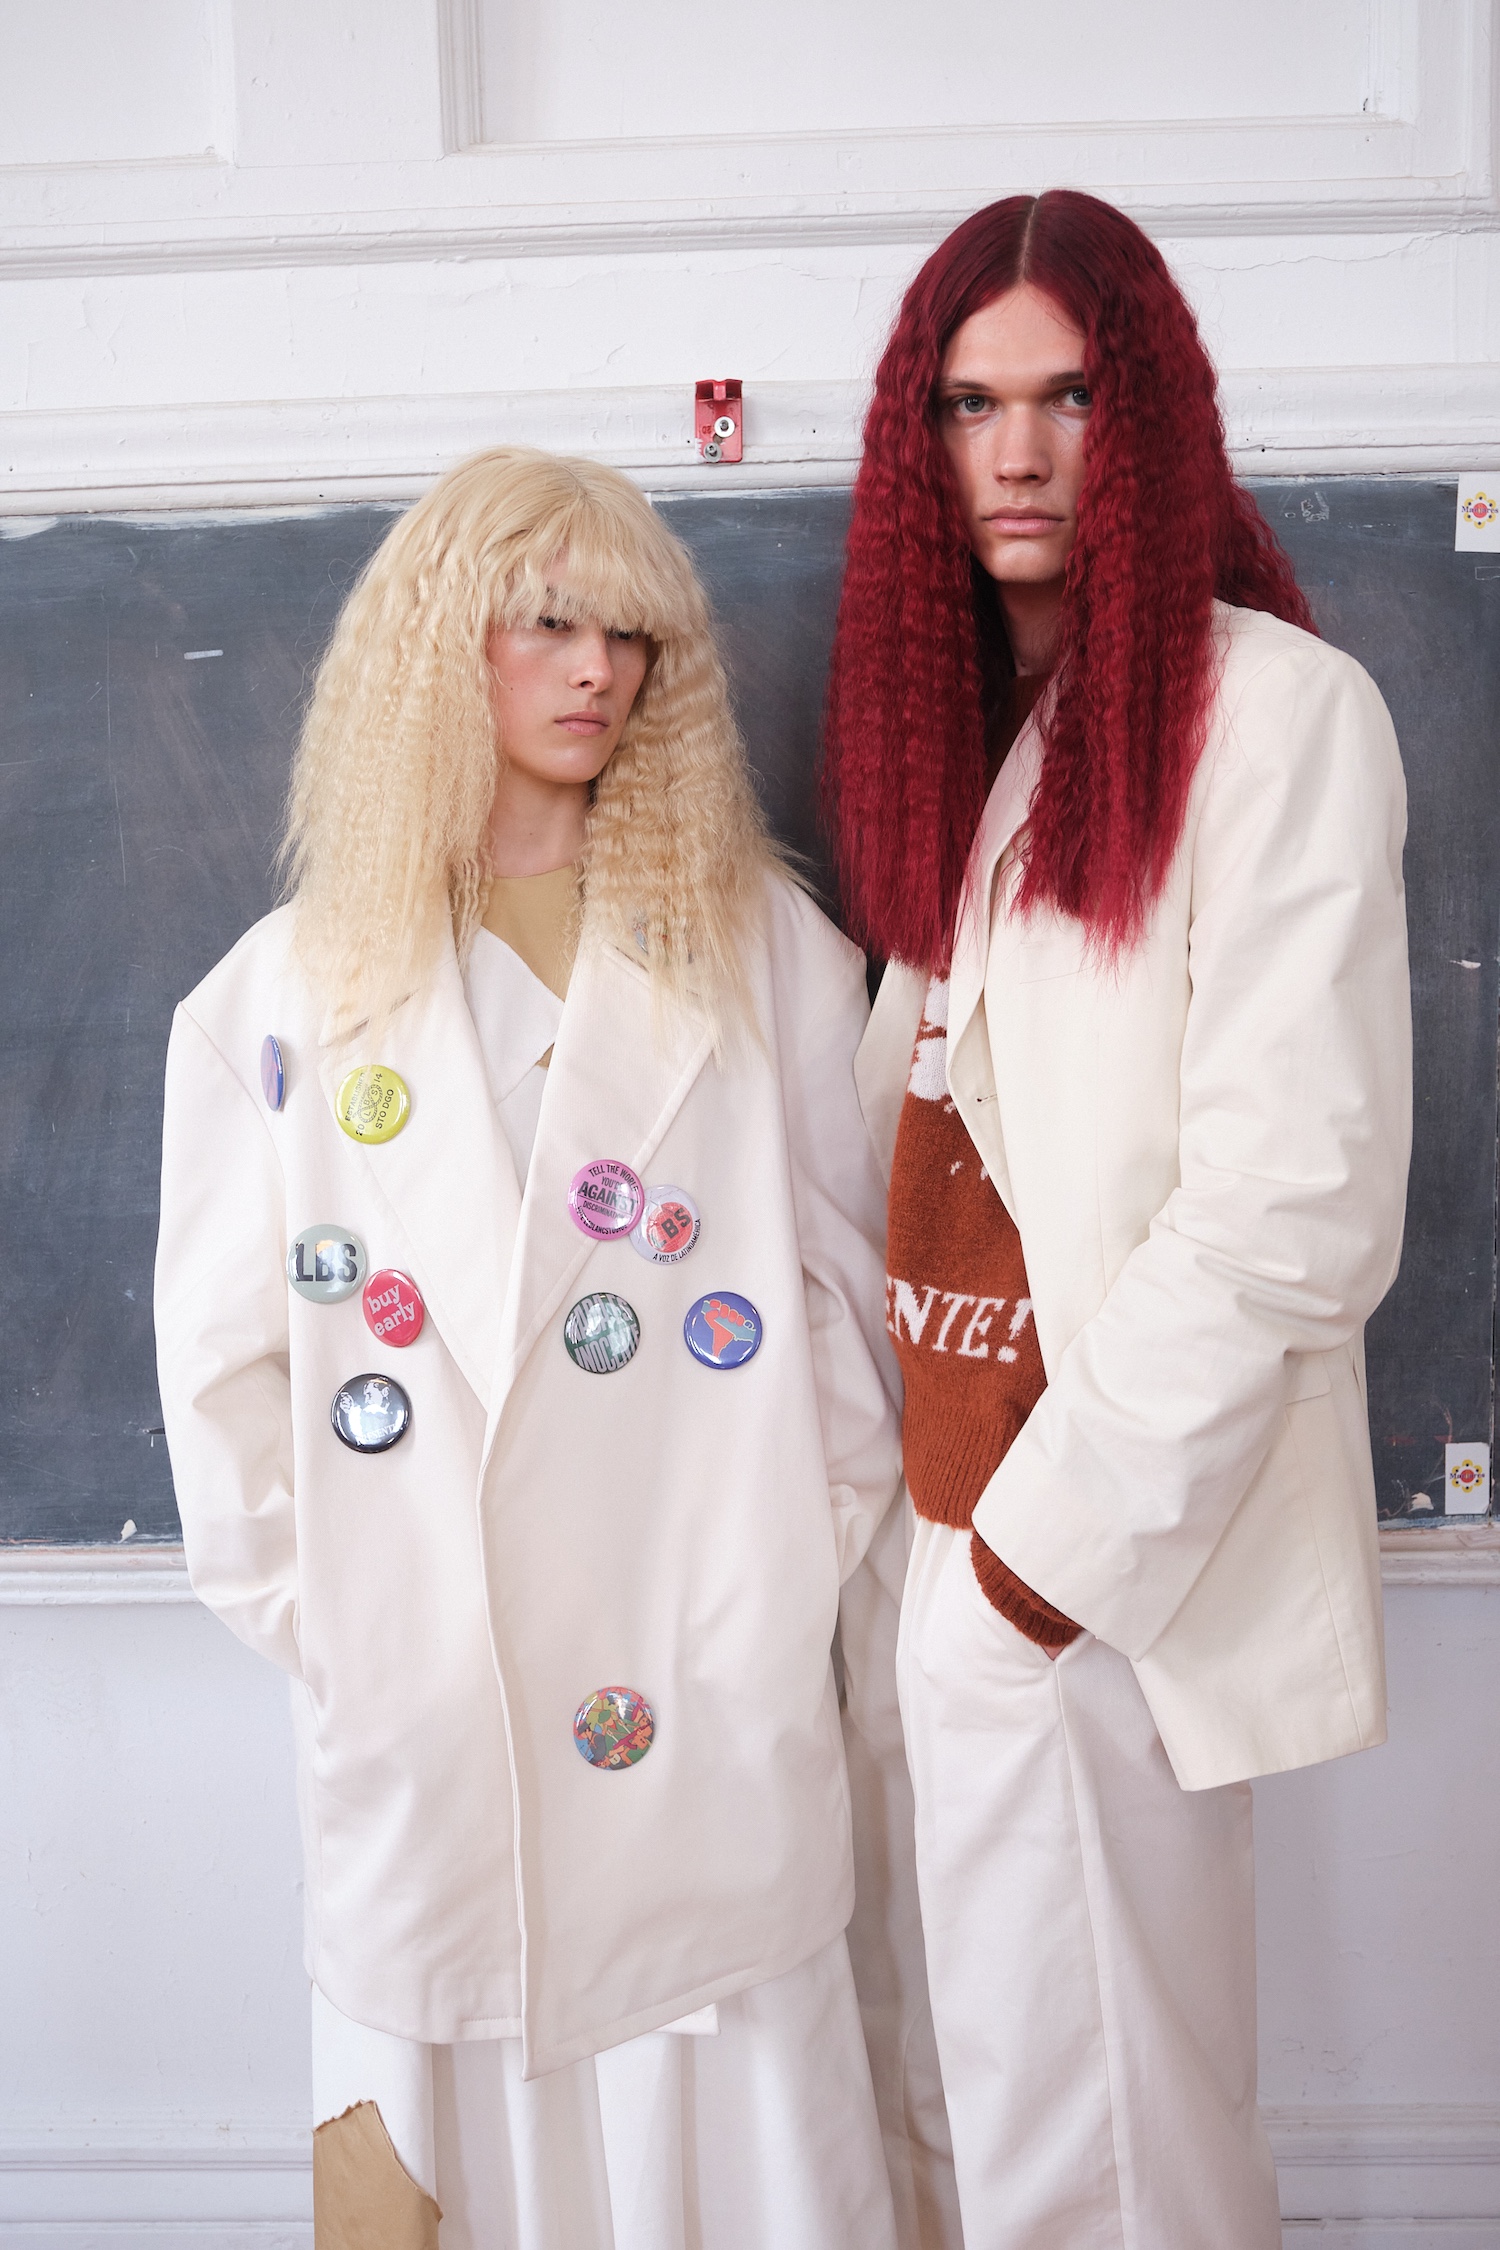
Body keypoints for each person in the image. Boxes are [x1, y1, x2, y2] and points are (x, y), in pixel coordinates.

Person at [155, 447, 905, 2250]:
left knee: (737, 2172)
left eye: (630, 635)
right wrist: (367, 1635)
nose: (596, 671)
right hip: (438, 1755)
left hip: (700, 1732)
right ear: (440, 646)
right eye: (549, 623)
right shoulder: (279, 999)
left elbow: (852, 1327)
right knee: (447, 2172)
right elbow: (221, 1380)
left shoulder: (765, 958)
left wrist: (760, 1600)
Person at [823, 190, 1412, 2248]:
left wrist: (1034, 1571)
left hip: (1089, 1562)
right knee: (1010, 2121)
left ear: (1144, 416)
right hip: (956, 1533)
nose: (1018, 452)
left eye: (1070, 396)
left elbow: (1298, 1203)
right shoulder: (979, 741)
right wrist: (946, 1567)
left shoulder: (1278, 717)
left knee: (1118, 2161)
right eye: (969, 404)